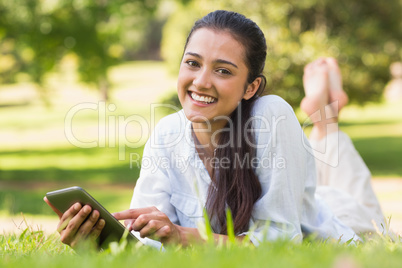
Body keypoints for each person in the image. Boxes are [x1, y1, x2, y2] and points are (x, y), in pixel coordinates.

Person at [44, 10, 384, 248]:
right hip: (305, 194)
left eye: (223, 70)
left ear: (251, 87)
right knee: (320, 175)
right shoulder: (167, 134)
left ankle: (326, 114)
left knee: (357, 201)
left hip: (343, 219)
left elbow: (281, 242)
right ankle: (323, 115)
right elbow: (148, 244)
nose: (201, 82)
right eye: (193, 63)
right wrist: (98, 242)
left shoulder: (271, 114)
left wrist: (182, 235)